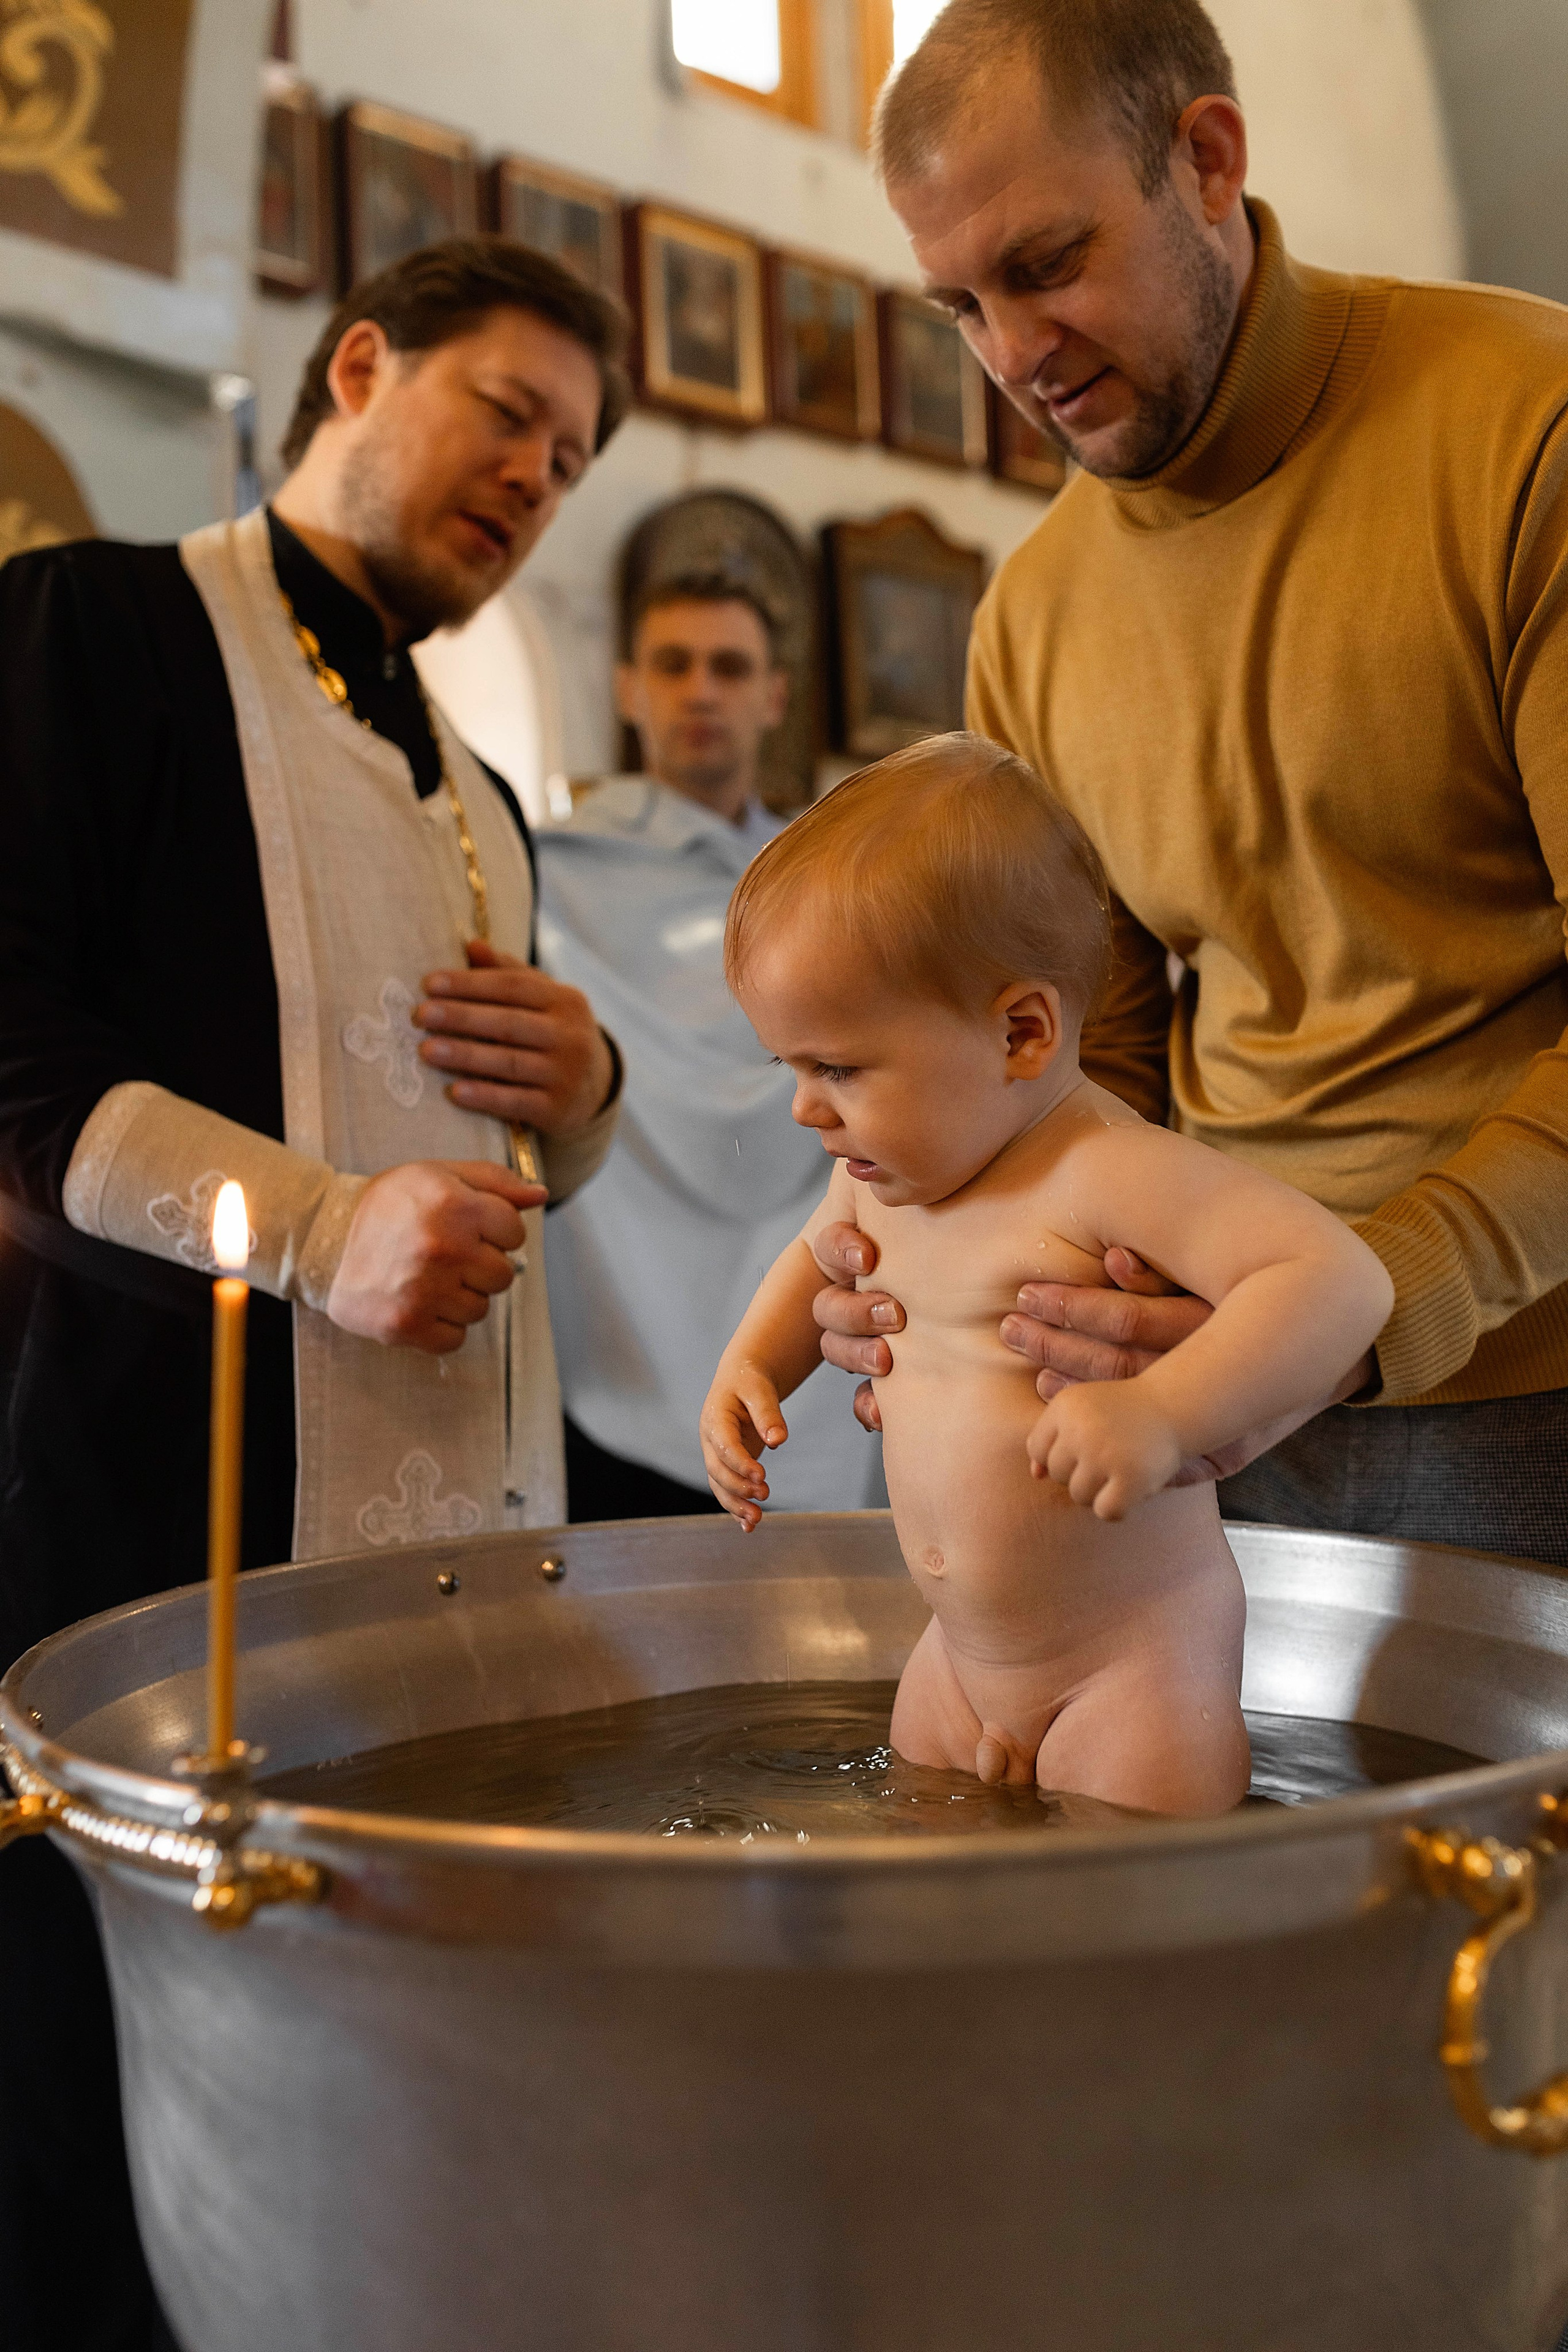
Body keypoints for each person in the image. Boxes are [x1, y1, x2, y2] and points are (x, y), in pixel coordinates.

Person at [0, 236, 628, 2352]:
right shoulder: (98, 627)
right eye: (508, 413)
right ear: (360, 364)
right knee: (111, 2140)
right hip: (146, 1531)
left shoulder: (489, 797)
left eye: (572, 458)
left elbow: (509, 1175)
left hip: (456, 1563)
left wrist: (597, 1090)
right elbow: (12, 1054)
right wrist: (321, 1225)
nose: (540, 477)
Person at [813, 0, 1568, 1571]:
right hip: (1199, 1389)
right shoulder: (1029, 612)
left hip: (1527, 1383)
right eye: (957, 303)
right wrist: (953, 1250)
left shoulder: (1523, 429)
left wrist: (1366, 1304)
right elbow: (1086, 1059)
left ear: (1207, 161)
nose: (1011, 357)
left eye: (1044, 265)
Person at [701, 737, 1390, 1811]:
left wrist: (1163, 1408)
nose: (805, 1107)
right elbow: (812, 1257)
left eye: (837, 1067)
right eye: (789, 1066)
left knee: (1133, 1929)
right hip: (958, 1663)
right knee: (932, 1910)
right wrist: (751, 1366)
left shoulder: (1106, 1171)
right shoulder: (888, 1172)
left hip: (1131, 1669)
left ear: (1021, 1033)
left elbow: (1339, 1280)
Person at [538, 570, 883, 1518]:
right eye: (673, 664)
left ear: (773, 695)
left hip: (802, 1257)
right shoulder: (554, 875)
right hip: (629, 1308)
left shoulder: (835, 875)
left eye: (730, 667)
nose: (700, 690)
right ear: (628, 689)